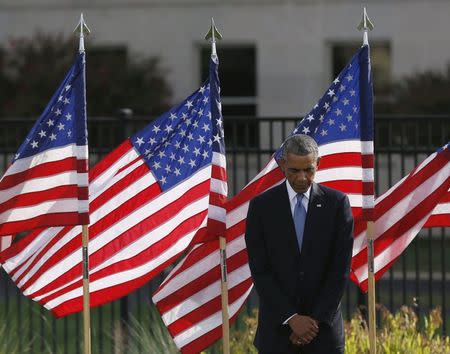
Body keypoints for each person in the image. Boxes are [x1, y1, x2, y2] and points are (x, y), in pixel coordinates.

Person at [245, 134, 354, 353]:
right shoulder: (261, 207)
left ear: (318, 164)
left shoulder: (337, 204)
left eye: (309, 170)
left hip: (323, 334)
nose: (302, 178)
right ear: (283, 165)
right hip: (277, 333)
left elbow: (339, 270)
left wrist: (313, 322)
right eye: (295, 170)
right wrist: (292, 318)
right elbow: (260, 270)